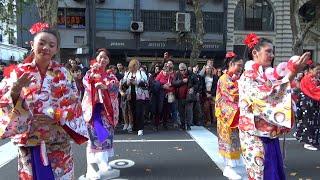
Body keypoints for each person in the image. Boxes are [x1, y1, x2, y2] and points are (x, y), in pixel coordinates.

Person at [0, 22, 88, 179]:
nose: (46, 48)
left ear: (56, 49)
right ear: (32, 45)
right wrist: (15, 90)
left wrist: (56, 117)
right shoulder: (17, 73)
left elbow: (75, 105)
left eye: (51, 45)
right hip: (29, 141)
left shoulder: (64, 74)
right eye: (42, 43)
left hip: (58, 141)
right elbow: (4, 103)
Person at [238, 33, 310, 180]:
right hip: (255, 134)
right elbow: (267, 96)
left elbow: (276, 92)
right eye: (268, 51)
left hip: (268, 133)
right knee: (262, 173)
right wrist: (292, 74)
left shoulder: (264, 74)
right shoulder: (249, 76)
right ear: (255, 53)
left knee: (272, 172)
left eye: (272, 51)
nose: (272, 55)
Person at [81, 48, 120, 179]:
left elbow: (115, 88)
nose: (103, 60)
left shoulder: (111, 75)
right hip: (94, 111)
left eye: (106, 58)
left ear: (109, 61)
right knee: (93, 139)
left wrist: (107, 87)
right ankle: (90, 168)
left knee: (106, 136)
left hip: (106, 111)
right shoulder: (89, 73)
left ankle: (104, 162)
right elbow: (86, 83)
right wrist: (93, 80)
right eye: (101, 57)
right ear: (96, 58)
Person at [215, 52, 243, 180]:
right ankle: (228, 167)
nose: (240, 68)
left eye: (241, 66)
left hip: (235, 113)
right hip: (226, 114)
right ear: (231, 64)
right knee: (228, 139)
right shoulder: (224, 78)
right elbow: (233, 93)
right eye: (238, 65)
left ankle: (235, 161)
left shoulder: (236, 78)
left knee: (235, 138)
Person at [295, 62, 320, 151]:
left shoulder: (315, 79)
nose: (318, 72)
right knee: (308, 121)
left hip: (314, 103)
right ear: (310, 70)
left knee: (314, 121)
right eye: (317, 69)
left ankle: (313, 140)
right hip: (307, 103)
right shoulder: (307, 78)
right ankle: (307, 142)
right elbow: (313, 90)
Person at [122, 59, 149, 136]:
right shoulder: (127, 74)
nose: (138, 65)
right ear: (133, 65)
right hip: (130, 95)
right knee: (132, 111)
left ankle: (140, 128)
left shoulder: (141, 73)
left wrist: (137, 83)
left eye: (138, 64)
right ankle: (135, 126)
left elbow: (146, 84)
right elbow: (123, 86)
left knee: (139, 112)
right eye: (137, 64)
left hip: (140, 95)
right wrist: (127, 84)